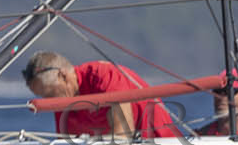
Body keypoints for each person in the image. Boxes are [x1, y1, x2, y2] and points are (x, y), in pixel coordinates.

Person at [21, 51, 180, 139]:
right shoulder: (64, 98)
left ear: (63, 76)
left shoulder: (102, 76)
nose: (49, 102)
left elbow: (123, 134)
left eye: (50, 94)